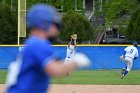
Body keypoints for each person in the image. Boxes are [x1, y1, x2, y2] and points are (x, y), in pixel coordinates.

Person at [6, 4, 90, 93]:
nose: (57, 29)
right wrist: (77, 61)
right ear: (43, 23)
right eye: (54, 25)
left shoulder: (32, 43)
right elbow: (56, 70)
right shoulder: (38, 44)